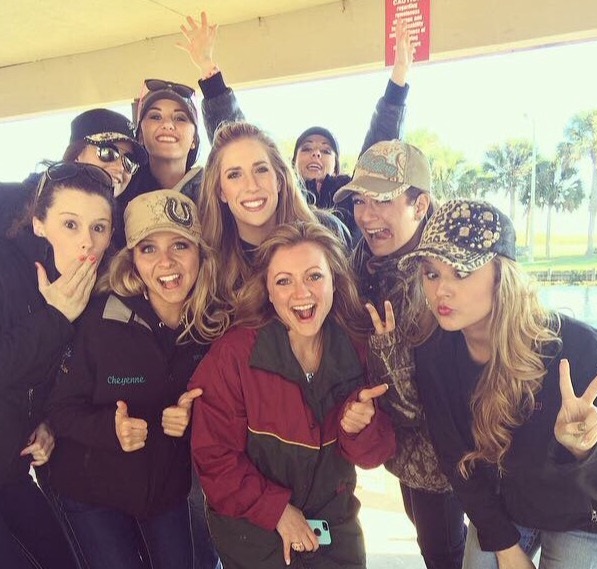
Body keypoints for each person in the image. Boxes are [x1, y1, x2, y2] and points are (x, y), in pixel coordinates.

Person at [406, 199, 597, 569]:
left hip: (584, 513)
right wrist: (505, 546)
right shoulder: (434, 351)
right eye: (431, 274)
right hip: (508, 506)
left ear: (502, 275)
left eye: (461, 272)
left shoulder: (579, 348)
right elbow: (455, 460)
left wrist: (584, 451)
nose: (441, 291)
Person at [189, 221, 396, 569]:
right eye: (284, 281)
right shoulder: (234, 355)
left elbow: (377, 454)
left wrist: (359, 429)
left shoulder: (359, 349)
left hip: (334, 532)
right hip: (254, 535)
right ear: (268, 292)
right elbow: (214, 458)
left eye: (314, 276)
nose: (301, 293)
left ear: (334, 281)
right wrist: (278, 511)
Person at [45, 190, 228, 569]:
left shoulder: (213, 326)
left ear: (200, 254)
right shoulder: (100, 320)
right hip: (92, 493)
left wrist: (193, 419)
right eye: (148, 249)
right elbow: (59, 410)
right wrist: (110, 430)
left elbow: (230, 413)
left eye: (180, 245)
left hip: (164, 492)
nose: (166, 261)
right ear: (132, 261)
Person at [332, 139, 467, 568]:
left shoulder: (442, 281)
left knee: (443, 550)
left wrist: (387, 350)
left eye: (383, 200)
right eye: (360, 200)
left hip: (442, 461)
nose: (366, 215)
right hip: (402, 455)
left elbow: (423, 405)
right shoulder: (364, 262)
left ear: (420, 204)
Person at [176, 11, 413, 237]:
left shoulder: (351, 201)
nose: (316, 154)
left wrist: (399, 80)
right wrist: (209, 71)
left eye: (326, 151)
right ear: (283, 172)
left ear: (336, 166)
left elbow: (377, 151)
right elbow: (240, 145)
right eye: (307, 148)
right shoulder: (271, 202)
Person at [0, 161, 115, 569]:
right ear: (39, 224)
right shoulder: (9, 269)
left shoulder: (84, 286)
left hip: (12, 467)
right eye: (70, 224)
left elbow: (57, 378)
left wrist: (47, 423)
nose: (87, 241)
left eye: (99, 227)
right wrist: (55, 318)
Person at [198, 120, 320, 310]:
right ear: (221, 191)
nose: (252, 186)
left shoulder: (322, 239)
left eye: (261, 170)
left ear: (279, 180)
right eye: (234, 175)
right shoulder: (209, 267)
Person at [0, 108, 146, 237]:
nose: (120, 167)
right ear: (76, 154)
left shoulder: (127, 227)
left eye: (129, 161)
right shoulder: (13, 201)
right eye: (109, 152)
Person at [114, 78, 203, 249]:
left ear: (194, 140)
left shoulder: (212, 191)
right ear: (140, 135)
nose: (168, 124)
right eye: (155, 116)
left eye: (180, 118)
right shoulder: (122, 190)